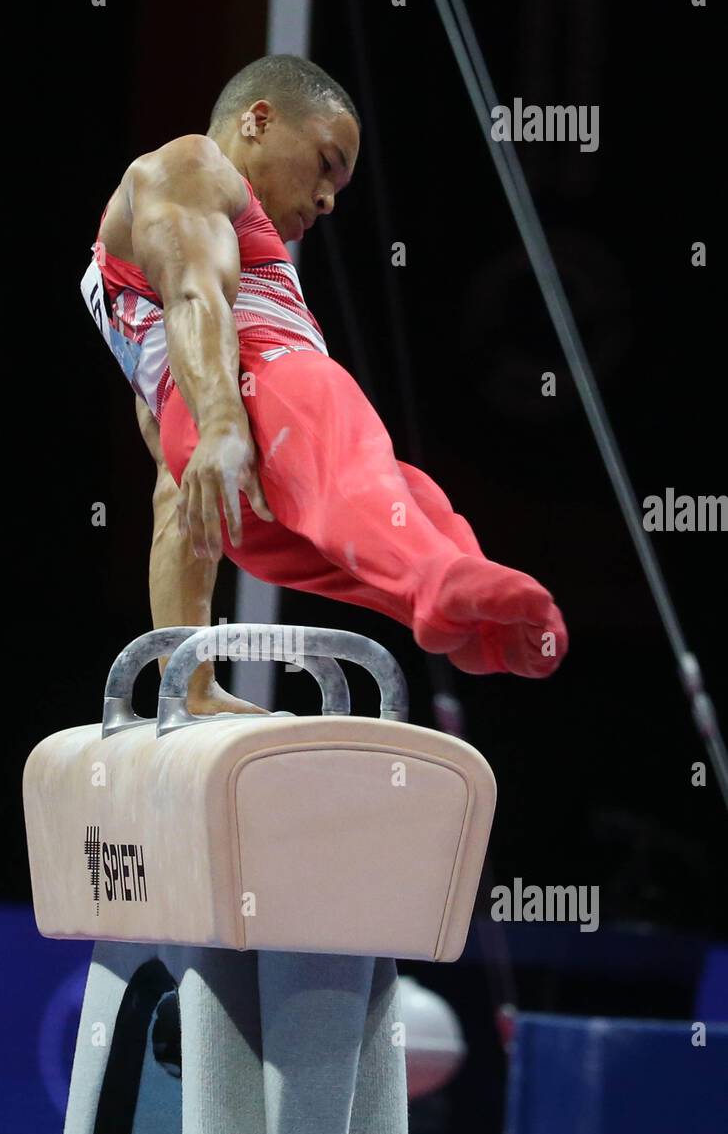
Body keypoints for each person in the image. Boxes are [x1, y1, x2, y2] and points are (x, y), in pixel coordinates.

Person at [80, 54, 568, 713]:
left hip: (244, 497)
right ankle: (439, 584)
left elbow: (180, 503)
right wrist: (225, 426)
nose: (329, 199)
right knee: (326, 408)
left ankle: (470, 613)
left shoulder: (150, 313)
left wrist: (186, 683)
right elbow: (197, 293)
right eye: (326, 162)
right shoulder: (190, 166)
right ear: (258, 120)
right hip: (257, 406)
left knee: (404, 496)